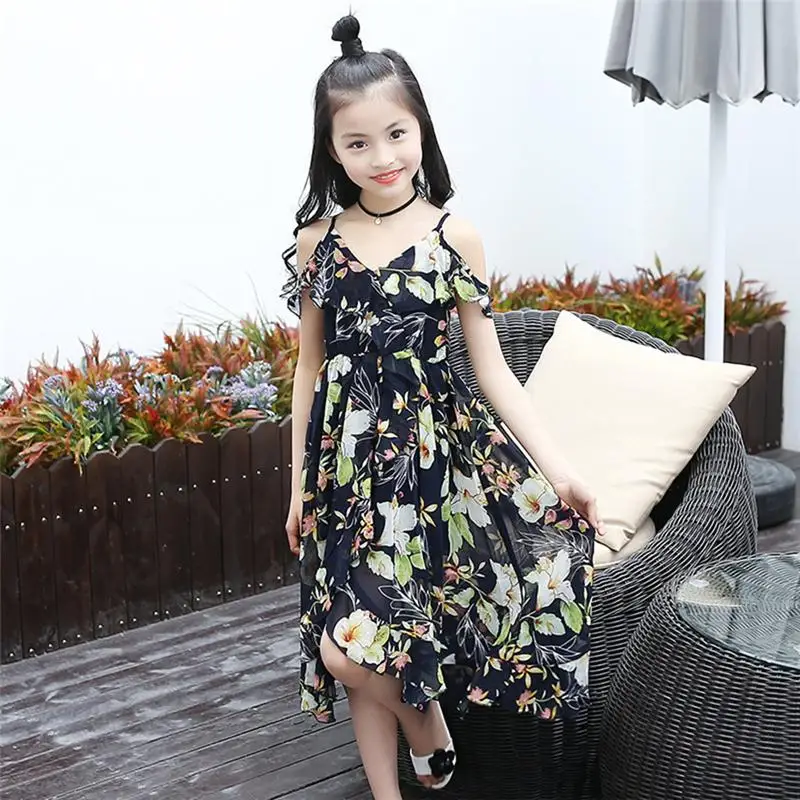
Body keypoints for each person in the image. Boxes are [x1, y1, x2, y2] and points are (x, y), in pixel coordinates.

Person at [281, 14, 600, 800]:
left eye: (396, 134)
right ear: (332, 150)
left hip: (429, 469)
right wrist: (296, 488)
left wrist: (560, 471)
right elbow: (308, 369)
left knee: (369, 648)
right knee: (349, 647)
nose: (382, 157)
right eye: (358, 143)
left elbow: (492, 373)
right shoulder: (319, 242)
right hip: (344, 470)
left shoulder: (457, 238)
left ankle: (422, 743)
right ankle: (415, 755)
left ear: (421, 127)